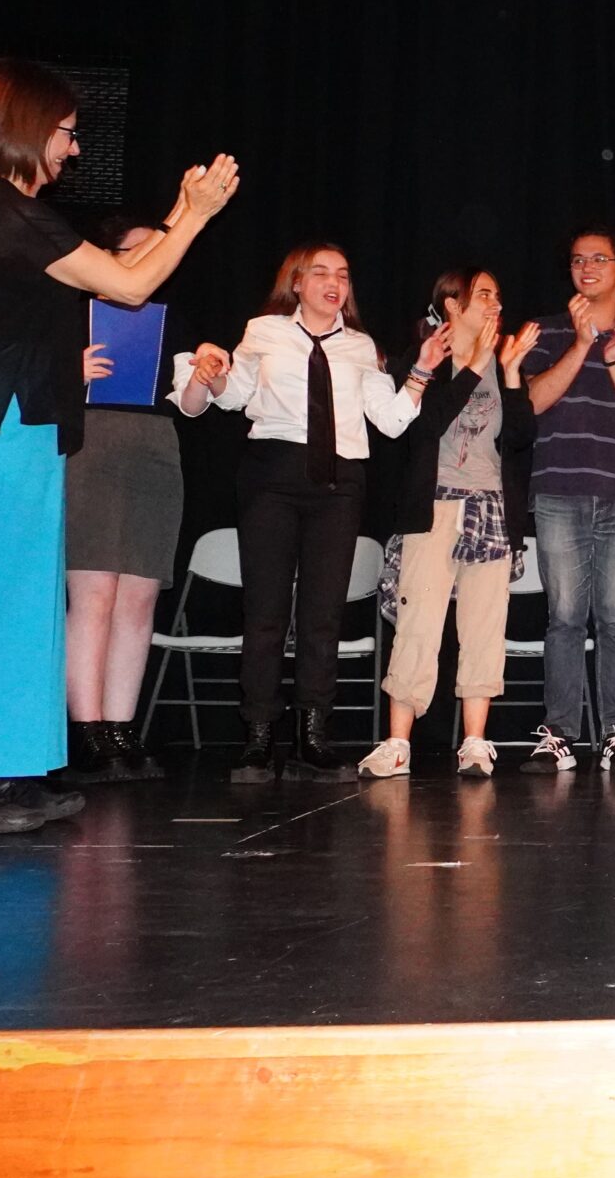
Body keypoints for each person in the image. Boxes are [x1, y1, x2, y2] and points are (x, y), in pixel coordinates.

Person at [0, 58, 237, 835]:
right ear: (28, 129)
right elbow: (128, 285)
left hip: (22, 426)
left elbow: (121, 270)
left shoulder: (15, 214)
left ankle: (2, 771)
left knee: (25, 609)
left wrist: (179, 209)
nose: (73, 147)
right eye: (65, 132)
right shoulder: (2, 209)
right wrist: (195, 216)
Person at [179, 242, 429, 784]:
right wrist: (212, 372)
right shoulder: (264, 331)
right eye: (320, 273)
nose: (333, 283)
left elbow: (389, 421)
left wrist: (421, 373)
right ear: (296, 282)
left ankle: (312, 737)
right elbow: (233, 394)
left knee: (323, 613)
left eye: (343, 274)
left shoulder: (361, 346)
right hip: (272, 473)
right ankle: (258, 736)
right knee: (265, 610)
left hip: (340, 482)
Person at [358, 270, 539, 781]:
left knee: (484, 628)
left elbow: (522, 436)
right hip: (433, 508)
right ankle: (397, 744)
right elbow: (425, 425)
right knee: (418, 624)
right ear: (453, 305)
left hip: (491, 508)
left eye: (498, 295)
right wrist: (475, 363)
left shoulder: (501, 362)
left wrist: (510, 372)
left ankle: (475, 743)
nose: (496, 304)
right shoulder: (426, 360)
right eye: (484, 295)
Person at [517, 228, 615, 774]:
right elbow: (530, 403)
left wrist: (614, 358)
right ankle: (558, 734)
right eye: (578, 260)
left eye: (600, 258)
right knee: (563, 618)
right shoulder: (546, 332)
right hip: (558, 490)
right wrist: (582, 344)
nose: (587, 267)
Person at [62, 213, 189, 786]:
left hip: (155, 447)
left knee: (139, 596)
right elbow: (23, 375)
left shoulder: (170, 318)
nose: (151, 263)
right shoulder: (73, 310)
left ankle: (120, 727)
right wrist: (71, 372)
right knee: (95, 593)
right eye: (135, 252)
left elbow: (192, 399)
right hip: (92, 441)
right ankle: (85, 729)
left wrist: (207, 373)